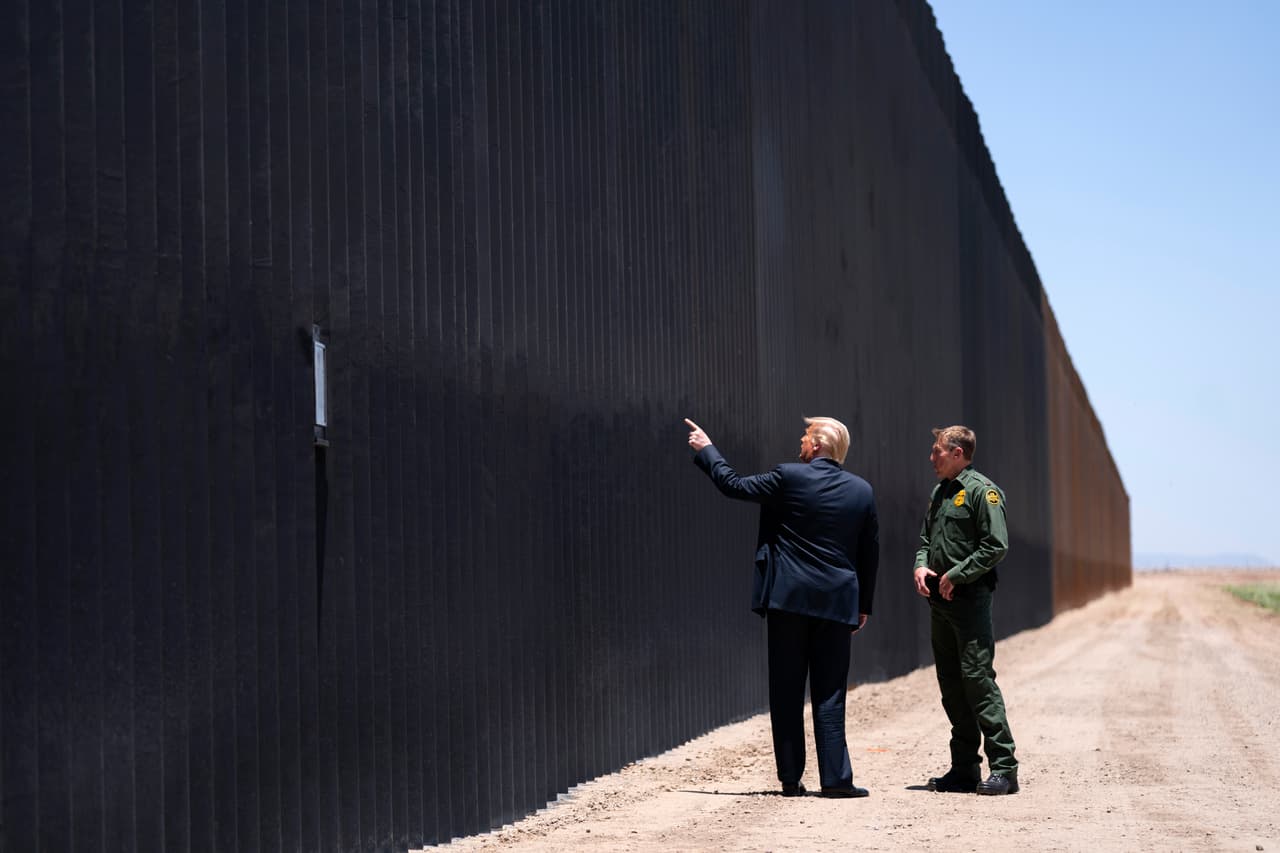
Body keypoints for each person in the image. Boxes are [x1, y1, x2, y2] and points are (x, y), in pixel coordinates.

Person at [685, 416, 879, 798]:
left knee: (787, 690)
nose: (800, 443)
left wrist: (707, 448)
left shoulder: (788, 477)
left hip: (788, 601)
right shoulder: (862, 491)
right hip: (837, 602)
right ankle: (836, 780)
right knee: (830, 693)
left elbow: (733, 485)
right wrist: (863, 605)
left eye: (805, 438)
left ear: (819, 445)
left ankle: (791, 779)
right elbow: (869, 552)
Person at [913, 425, 1019, 795]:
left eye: (937, 451)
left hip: (969, 602)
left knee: (977, 681)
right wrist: (920, 565)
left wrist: (958, 574)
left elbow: (996, 546)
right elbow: (926, 539)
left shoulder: (982, 492)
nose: (932, 457)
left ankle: (1004, 768)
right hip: (939, 602)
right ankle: (964, 769)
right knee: (951, 685)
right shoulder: (940, 493)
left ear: (958, 453)